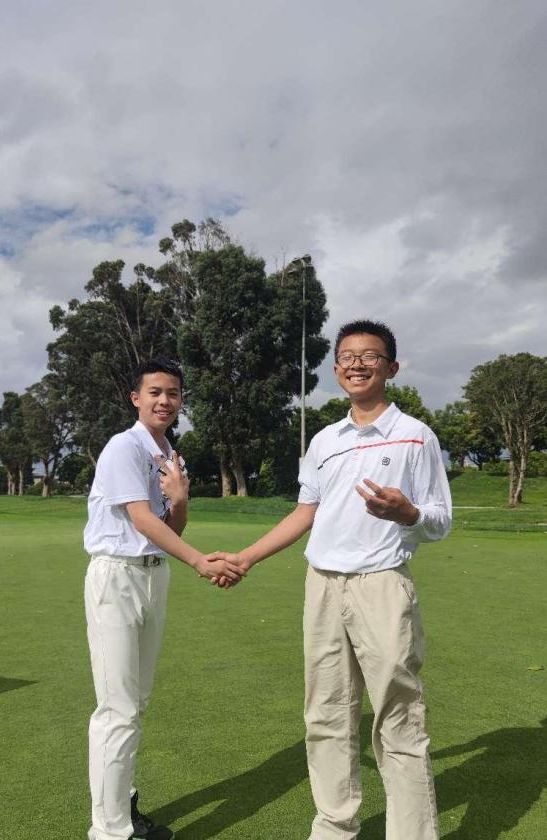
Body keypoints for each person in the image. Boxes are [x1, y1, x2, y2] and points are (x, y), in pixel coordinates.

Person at [213, 320, 452, 840]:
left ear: (392, 367)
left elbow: (440, 519)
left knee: (398, 716)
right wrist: (247, 557)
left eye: (369, 356)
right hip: (321, 585)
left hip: (382, 584)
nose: (356, 364)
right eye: (346, 356)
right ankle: (335, 825)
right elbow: (305, 514)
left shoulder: (416, 435)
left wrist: (408, 512)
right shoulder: (325, 440)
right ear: (337, 367)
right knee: (325, 714)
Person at [83, 356, 243, 840]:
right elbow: (141, 520)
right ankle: (109, 831)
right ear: (136, 398)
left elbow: (168, 526)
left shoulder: (168, 454)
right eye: (154, 392)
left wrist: (182, 497)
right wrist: (199, 561)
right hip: (117, 577)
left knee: (137, 702)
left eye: (172, 393)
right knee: (117, 708)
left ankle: (123, 805)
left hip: (153, 577)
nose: (164, 401)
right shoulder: (123, 447)